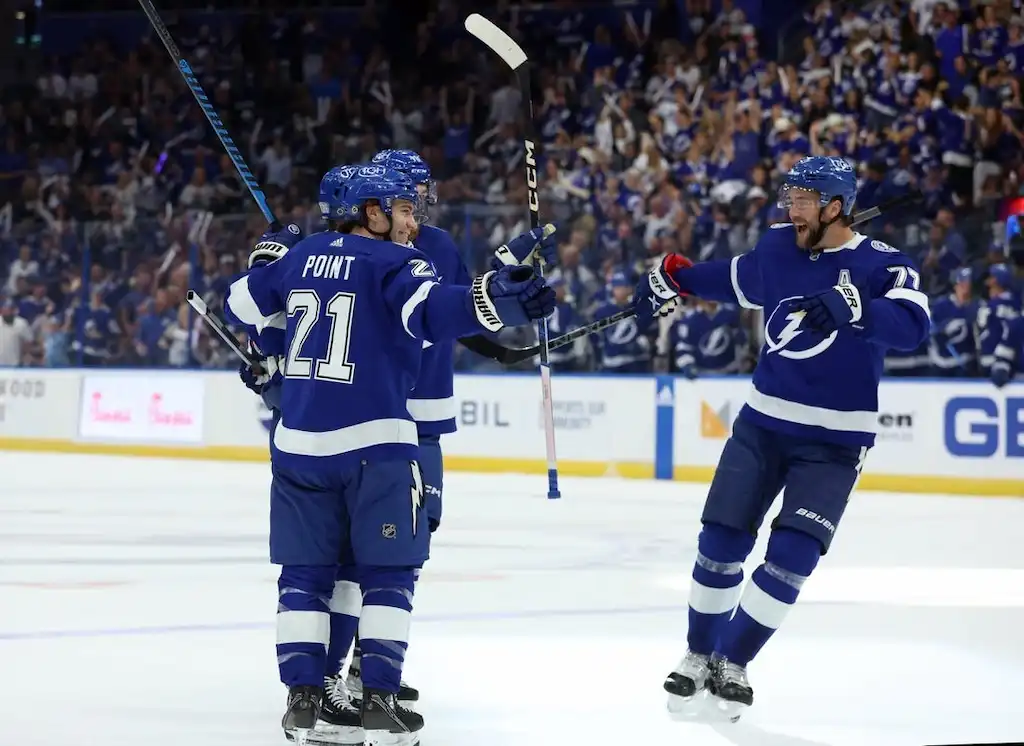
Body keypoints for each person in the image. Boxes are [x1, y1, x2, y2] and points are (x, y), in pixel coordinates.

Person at [224, 165, 556, 744]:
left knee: (303, 578)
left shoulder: (300, 259)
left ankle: (304, 698)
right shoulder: (394, 262)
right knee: (389, 573)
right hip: (374, 446)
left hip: (297, 449)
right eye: (402, 210)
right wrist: (499, 301)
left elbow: (239, 308)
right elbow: (432, 314)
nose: (412, 221)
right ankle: (378, 695)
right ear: (370, 212)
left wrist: (265, 263)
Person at [630, 155, 930, 721]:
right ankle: (698, 655)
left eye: (802, 199)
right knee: (719, 542)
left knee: (792, 557)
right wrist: (676, 277)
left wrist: (858, 304)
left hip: (835, 443)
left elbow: (914, 325)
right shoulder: (777, 248)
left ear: (835, 206)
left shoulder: (883, 265)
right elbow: (734, 278)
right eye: (789, 198)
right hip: (762, 425)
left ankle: (733, 662)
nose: (790, 208)